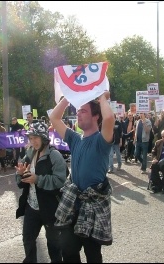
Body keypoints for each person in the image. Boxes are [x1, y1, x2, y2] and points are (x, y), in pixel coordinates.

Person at [49, 91, 115, 263]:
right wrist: (68, 96)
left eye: (83, 111)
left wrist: (101, 98)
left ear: (96, 116)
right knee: (69, 253)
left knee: (93, 255)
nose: (78, 113)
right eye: (77, 110)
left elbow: (109, 120)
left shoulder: (102, 141)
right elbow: (54, 118)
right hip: (73, 205)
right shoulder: (74, 138)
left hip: (92, 207)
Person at [15, 122, 67, 263]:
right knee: (28, 239)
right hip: (31, 206)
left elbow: (60, 180)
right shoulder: (30, 153)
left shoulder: (54, 156)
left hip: (50, 208)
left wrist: (38, 179)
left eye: (35, 138)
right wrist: (20, 174)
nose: (33, 141)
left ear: (44, 138)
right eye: (30, 138)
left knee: (54, 245)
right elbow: (21, 177)